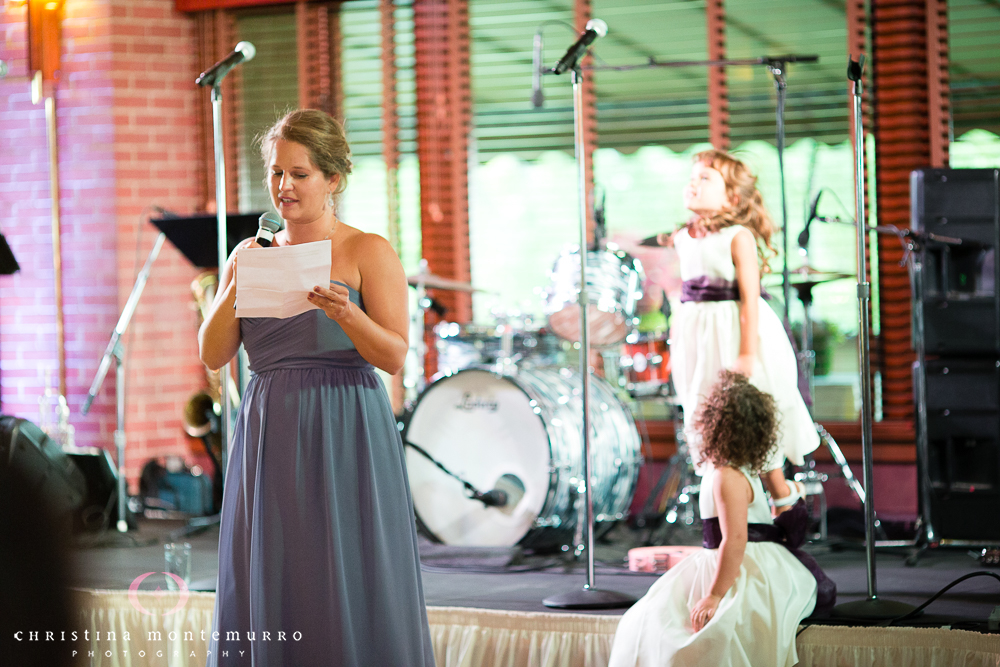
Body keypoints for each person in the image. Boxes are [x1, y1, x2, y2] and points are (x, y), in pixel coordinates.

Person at [198, 109, 434, 666]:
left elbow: (395, 356)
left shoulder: (366, 250)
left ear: (333, 179)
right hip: (270, 422)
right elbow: (212, 354)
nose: (284, 187)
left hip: (344, 418)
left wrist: (346, 314)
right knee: (275, 562)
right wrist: (237, 282)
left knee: (345, 562)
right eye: (277, 174)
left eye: (299, 174)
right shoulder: (249, 252)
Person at [608, 371, 835, 667]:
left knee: (672, 628)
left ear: (714, 425)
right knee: (652, 615)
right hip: (738, 555)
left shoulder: (727, 476)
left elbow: (736, 538)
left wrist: (714, 595)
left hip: (742, 562)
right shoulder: (740, 470)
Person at [665, 149, 819, 510]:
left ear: (732, 197)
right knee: (706, 407)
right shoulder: (681, 237)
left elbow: (750, 298)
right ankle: (728, 501)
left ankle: (780, 493)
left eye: (706, 178)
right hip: (697, 332)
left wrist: (748, 352)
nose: (693, 183)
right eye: (693, 177)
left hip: (737, 329)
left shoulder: (738, 236)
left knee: (753, 408)